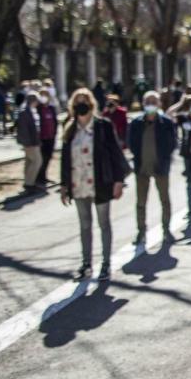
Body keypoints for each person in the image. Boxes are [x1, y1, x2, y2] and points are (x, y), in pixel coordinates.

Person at [60, 88, 129, 281]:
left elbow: (116, 154)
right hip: (78, 183)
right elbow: (65, 160)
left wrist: (119, 181)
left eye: (85, 101)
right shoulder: (69, 128)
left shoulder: (103, 126)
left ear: (92, 104)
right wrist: (64, 185)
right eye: (77, 102)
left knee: (103, 223)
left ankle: (106, 263)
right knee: (84, 225)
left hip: (101, 183)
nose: (81, 105)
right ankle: (86, 263)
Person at [128, 91, 177, 246]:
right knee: (141, 202)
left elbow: (173, 143)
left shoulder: (166, 123)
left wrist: (164, 158)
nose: (151, 104)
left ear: (159, 104)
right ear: (143, 104)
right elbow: (130, 143)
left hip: (160, 167)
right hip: (142, 168)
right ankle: (141, 231)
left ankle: (166, 229)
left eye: (154, 101)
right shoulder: (136, 123)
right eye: (148, 101)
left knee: (165, 200)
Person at [15, 91, 43, 193]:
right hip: (30, 142)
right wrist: (28, 143)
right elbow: (24, 129)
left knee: (30, 161)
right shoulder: (24, 111)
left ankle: (28, 182)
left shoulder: (30, 110)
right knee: (37, 161)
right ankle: (29, 183)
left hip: (33, 141)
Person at [36, 89, 59, 186]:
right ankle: (38, 177)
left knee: (48, 157)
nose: (44, 98)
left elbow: (55, 122)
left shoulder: (51, 108)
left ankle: (44, 176)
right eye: (42, 95)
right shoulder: (38, 109)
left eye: (46, 95)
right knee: (41, 158)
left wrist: (54, 134)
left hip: (50, 137)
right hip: (41, 138)